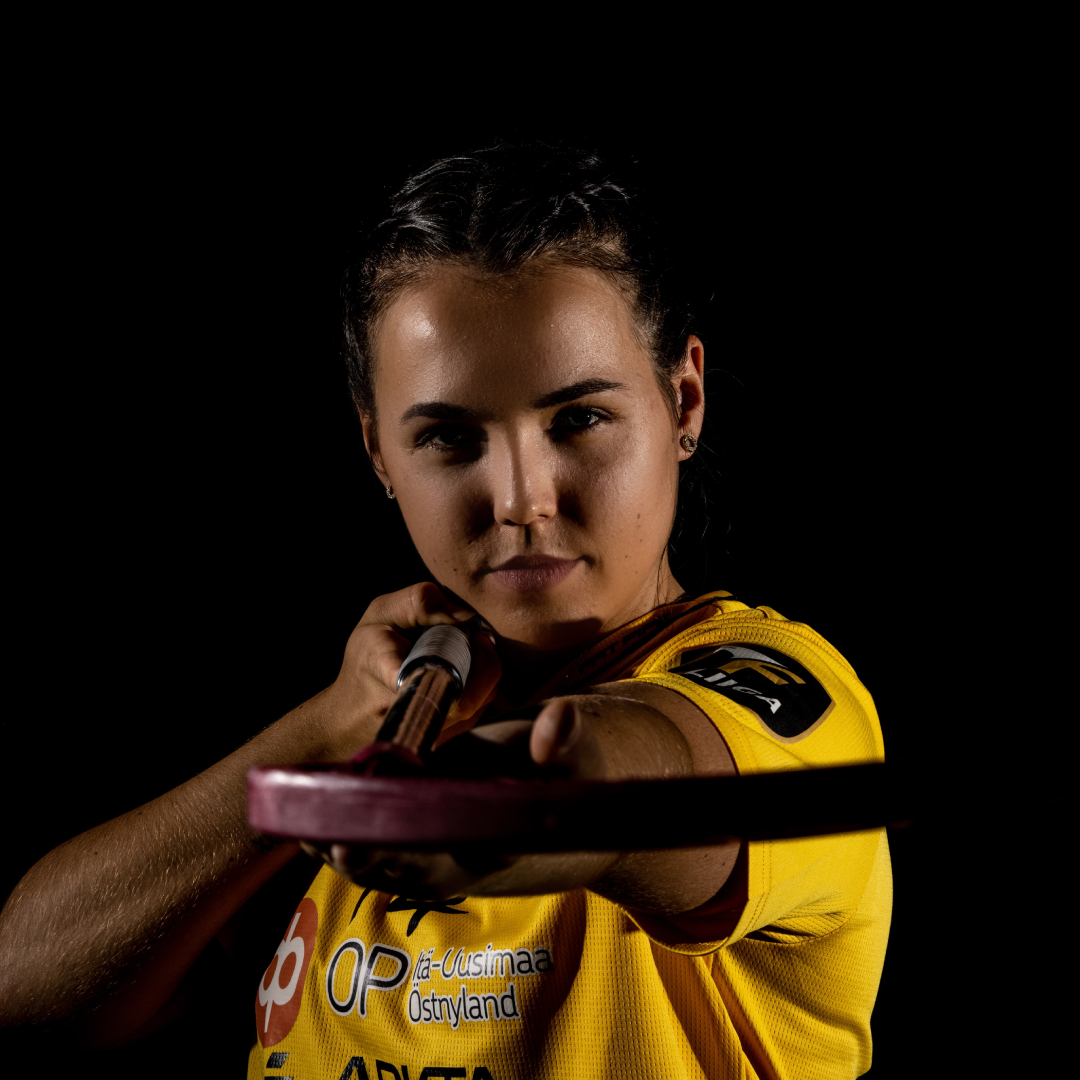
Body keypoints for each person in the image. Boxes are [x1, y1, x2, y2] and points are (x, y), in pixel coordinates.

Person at [0, 145, 890, 1078]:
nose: (520, 499)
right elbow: (28, 996)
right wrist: (327, 733)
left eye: (579, 419)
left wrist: (520, 796)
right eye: (449, 437)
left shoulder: (789, 693)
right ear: (379, 452)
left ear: (684, 399)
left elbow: (651, 777)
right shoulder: (356, 733)